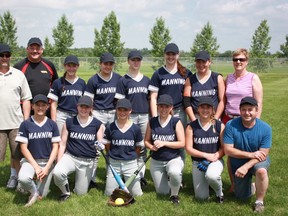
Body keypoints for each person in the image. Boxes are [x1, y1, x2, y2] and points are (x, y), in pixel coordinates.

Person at [223, 48, 263, 193]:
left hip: (247, 120)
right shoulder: (228, 78)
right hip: (229, 119)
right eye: (235, 59)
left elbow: (258, 103)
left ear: (247, 61)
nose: (238, 62)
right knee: (231, 153)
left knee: (248, 150)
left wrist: (254, 124)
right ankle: (234, 184)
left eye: (242, 59)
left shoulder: (253, 78)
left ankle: (249, 180)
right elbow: (223, 99)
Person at [223, 96, 271, 213]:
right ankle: (252, 186)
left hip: (258, 160)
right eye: (244, 110)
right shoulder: (231, 125)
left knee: (261, 171)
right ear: (239, 111)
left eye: (250, 109)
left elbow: (263, 153)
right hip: (240, 160)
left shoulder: (265, 128)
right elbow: (228, 150)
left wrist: (246, 166)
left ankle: (259, 202)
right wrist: (250, 154)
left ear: (256, 110)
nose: (247, 113)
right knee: (241, 197)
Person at [53, 95, 104, 201]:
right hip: (71, 157)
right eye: (82, 106)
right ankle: (65, 192)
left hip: (87, 161)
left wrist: (99, 146)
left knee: (81, 193)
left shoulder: (98, 124)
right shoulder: (69, 122)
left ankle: (77, 182)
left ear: (91, 108)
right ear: (77, 107)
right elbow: (62, 144)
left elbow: (99, 143)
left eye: (87, 107)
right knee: (57, 172)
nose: (84, 109)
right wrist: (58, 162)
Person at [84, 52, 121, 187]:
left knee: (111, 146)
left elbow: (120, 100)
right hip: (98, 113)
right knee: (96, 147)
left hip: (113, 113)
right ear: (100, 64)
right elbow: (89, 100)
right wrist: (90, 117)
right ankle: (91, 178)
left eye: (110, 64)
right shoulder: (93, 80)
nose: (108, 66)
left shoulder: (118, 78)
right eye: (105, 63)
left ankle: (110, 176)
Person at [16, 94, 60, 207]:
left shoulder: (52, 124)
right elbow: (23, 147)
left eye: (43, 105)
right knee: (23, 178)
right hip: (30, 161)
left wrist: (47, 167)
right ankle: (32, 190)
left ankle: (31, 188)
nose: (40, 108)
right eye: (37, 105)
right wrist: (35, 167)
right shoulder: (25, 124)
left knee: (43, 195)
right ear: (32, 106)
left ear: (47, 107)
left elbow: (55, 147)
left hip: (46, 163)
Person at [114, 50, 150, 187]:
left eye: (138, 60)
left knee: (141, 147)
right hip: (130, 117)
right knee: (128, 145)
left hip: (144, 116)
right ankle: (126, 174)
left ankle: (140, 176)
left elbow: (149, 99)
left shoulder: (146, 80)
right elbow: (119, 104)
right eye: (133, 60)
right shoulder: (123, 81)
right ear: (128, 61)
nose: (136, 62)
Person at [0, 43, 32, 189]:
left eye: (7, 55)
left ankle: (18, 180)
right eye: (1, 55)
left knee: (17, 156)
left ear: (10, 57)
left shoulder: (19, 75)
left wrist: (25, 122)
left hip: (15, 124)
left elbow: (26, 99)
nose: (4, 58)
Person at [144, 94, 185, 204]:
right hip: (157, 161)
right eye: (161, 106)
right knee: (162, 192)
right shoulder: (152, 121)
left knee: (174, 172)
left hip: (173, 158)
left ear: (171, 108)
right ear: (157, 107)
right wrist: (151, 146)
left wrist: (164, 143)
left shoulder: (176, 121)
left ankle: (175, 195)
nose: (164, 109)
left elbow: (182, 143)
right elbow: (146, 141)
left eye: (166, 107)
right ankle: (174, 183)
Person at [185, 97, 225, 203]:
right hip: (198, 163)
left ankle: (219, 194)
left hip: (215, 160)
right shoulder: (191, 126)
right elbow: (188, 149)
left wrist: (215, 156)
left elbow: (224, 148)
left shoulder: (219, 125)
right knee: (201, 197)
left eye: (208, 108)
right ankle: (210, 184)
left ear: (213, 110)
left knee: (212, 175)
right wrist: (206, 155)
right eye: (203, 107)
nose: (205, 110)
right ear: (198, 109)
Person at [102, 98, 143, 197]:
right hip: (114, 164)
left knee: (137, 194)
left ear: (130, 111)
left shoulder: (136, 129)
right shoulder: (110, 127)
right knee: (109, 194)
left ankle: (128, 180)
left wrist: (131, 158)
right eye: (120, 110)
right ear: (116, 110)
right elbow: (107, 146)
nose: (122, 112)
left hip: (130, 164)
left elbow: (138, 147)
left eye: (125, 110)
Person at [148, 43, 191, 126]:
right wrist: (154, 117)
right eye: (168, 54)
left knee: (180, 137)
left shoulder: (185, 73)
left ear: (178, 55)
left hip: (180, 111)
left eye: (173, 54)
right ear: (164, 55)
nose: (170, 57)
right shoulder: (158, 73)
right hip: (163, 110)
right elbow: (153, 97)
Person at [48, 55, 86, 133]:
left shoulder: (82, 83)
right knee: (61, 141)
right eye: (69, 66)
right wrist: (53, 121)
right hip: (62, 116)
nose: (71, 68)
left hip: (77, 115)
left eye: (74, 66)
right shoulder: (58, 82)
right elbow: (53, 104)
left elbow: (85, 103)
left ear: (77, 66)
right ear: (64, 66)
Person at [183, 50, 225, 122]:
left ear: (209, 62)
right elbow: (186, 102)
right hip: (196, 117)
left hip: (213, 117)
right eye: (199, 62)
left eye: (204, 62)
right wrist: (193, 120)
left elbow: (222, 101)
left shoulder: (217, 78)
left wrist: (216, 118)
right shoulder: (190, 80)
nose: (201, 65)